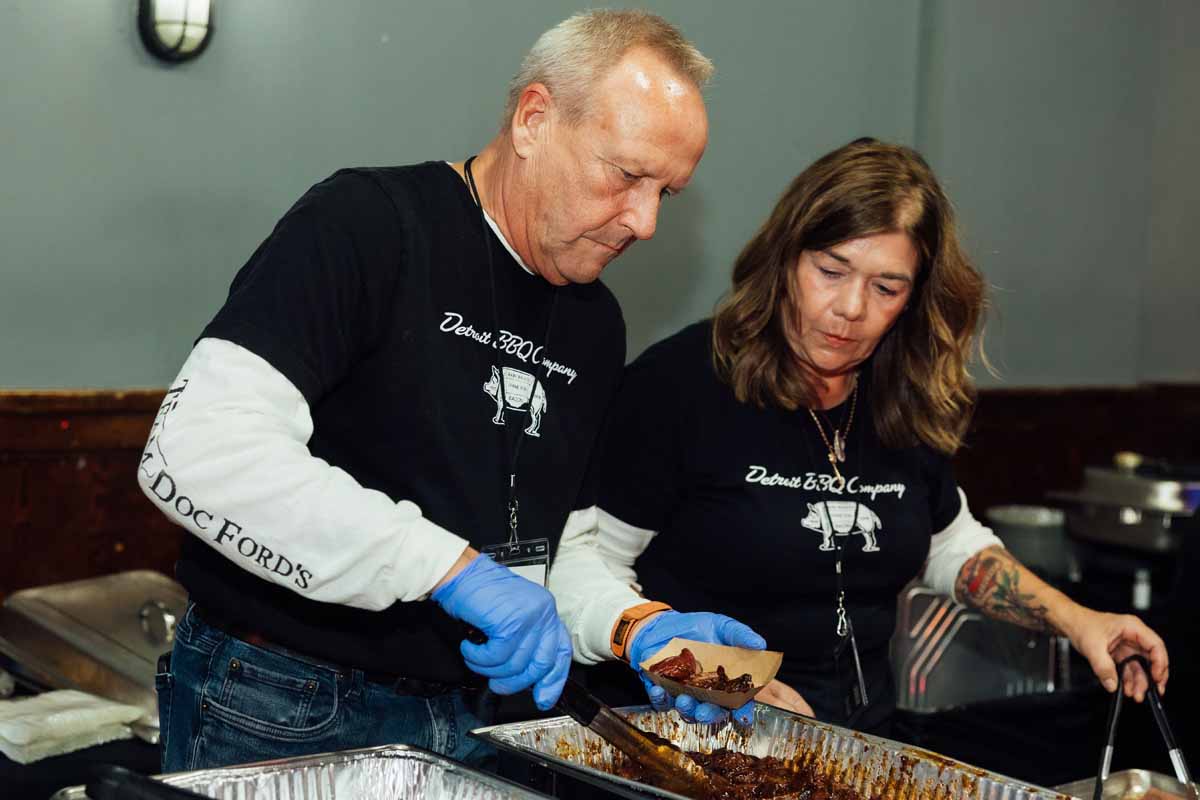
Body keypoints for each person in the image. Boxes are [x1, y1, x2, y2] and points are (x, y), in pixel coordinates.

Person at [136, 10, 724, 772]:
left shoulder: (595, 323)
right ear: (534, 120)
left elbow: (558, 549)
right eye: (627, 175)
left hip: (473, 720)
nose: (644, 223)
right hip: (282, 700)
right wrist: (450, 570)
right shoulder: (369, 225)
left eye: (666, 194)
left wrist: (637, 626)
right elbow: (195, 452)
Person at [549, 138, 1170, 736]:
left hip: (856, 745)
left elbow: (949, 544)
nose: (851, 307)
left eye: (885, 287)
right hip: (692, 736)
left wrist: (1079, 621)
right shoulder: (681, 384)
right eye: (831, 270)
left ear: (914, 297)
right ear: (786, 260)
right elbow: (588, 565)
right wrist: (717, 674)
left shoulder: (900, 392)